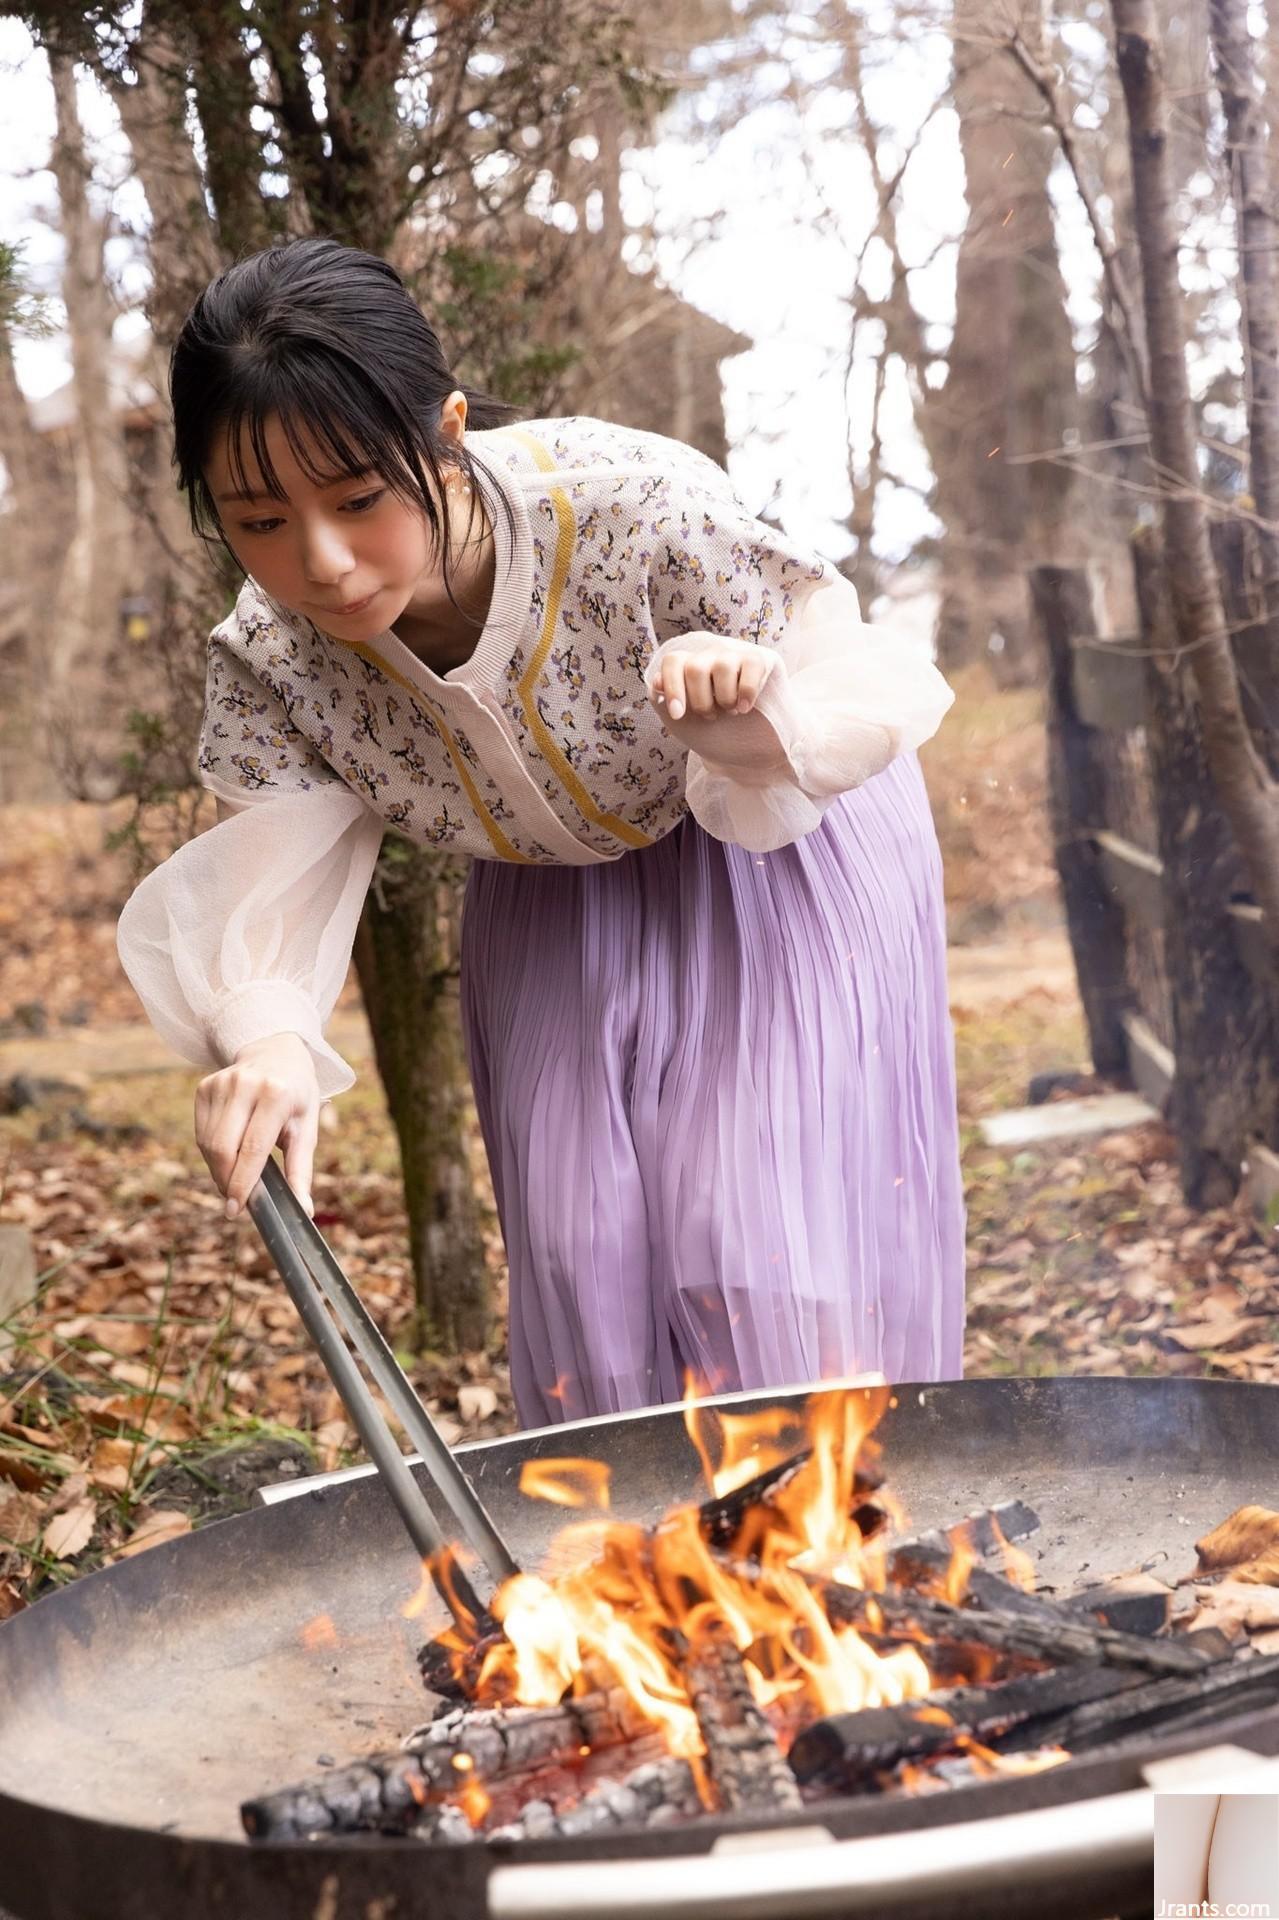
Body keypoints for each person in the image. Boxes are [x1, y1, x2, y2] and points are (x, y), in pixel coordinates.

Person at [117, 235, 965, 1428]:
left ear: (447, 433)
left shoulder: (634, 510)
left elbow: (840, 673)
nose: (318, 560)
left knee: (753, 1233)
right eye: (259, 520)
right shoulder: (272, 657)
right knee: (581, 1253)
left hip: (777, 847)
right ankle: (642, 1586)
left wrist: (751, 694)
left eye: (360, 499)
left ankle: (822, 1558)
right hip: (546, 896)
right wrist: (265, 1042)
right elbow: (269, 882)